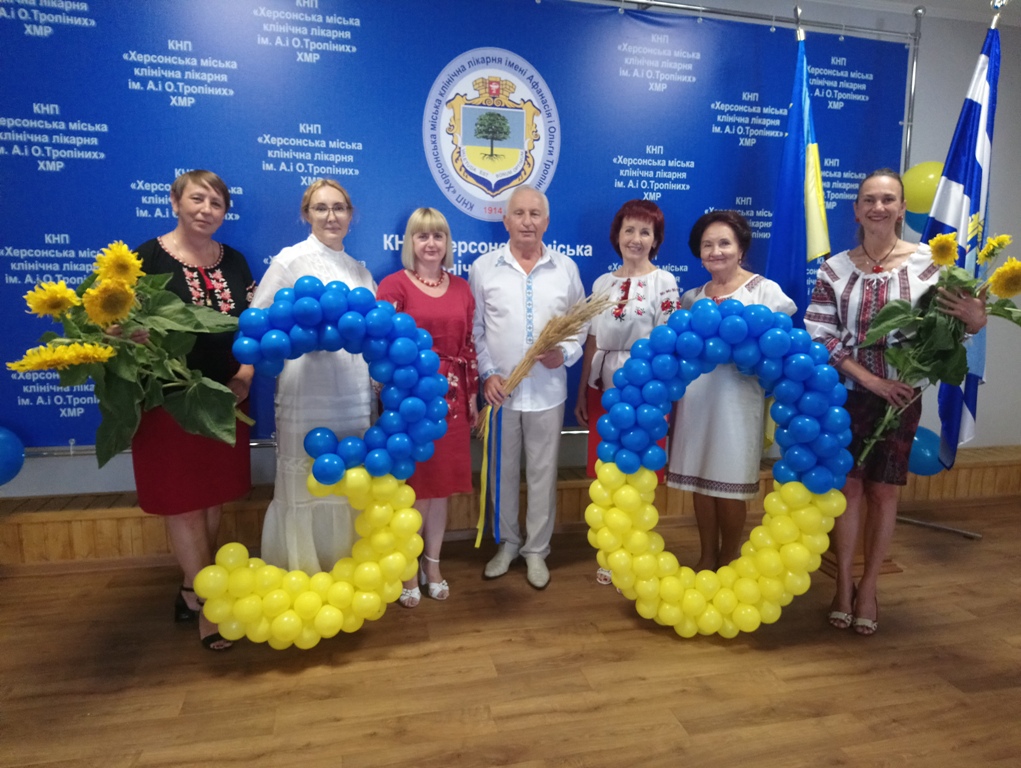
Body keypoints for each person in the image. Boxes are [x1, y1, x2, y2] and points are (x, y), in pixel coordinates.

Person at [805, 168, 986, 636]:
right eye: (869, 199)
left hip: (902, 396)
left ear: (902, 208)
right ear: (856, 210)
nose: (878, 207)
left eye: (888, 199)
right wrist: (870, 380)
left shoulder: (931, 265)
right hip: (845, 394)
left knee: (884, 492)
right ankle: (842, 585)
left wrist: (976, 320)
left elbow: (955, 329)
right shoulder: (833, 268)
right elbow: (820, 334)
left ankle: (869, 586)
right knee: (848, 490)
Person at [131, 169, 255, 651]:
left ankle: (192, 589)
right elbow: (115, 326)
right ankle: (210, 605)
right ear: (175, 201)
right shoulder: (145, 258)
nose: (206, 209)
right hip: (167, 401)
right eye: (197, 199)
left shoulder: (235, 261)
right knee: (183, 503)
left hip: (226, 397)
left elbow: (254, 327)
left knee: (211, 497)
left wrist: (245, 376)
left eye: (216, 203)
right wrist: (127, 335)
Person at [251, 179, 376, 575]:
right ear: (306, 214)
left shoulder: (360, 271)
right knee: (306, 484)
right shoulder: (290, 261)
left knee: (347, 482)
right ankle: (302, 570)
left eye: (339, 208)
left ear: (351, 215)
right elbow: (259, 321)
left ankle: (344, 571)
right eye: (321, 208)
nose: (331, 216)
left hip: (353, 395)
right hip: (307, 392)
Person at [667, 210, 796, 573]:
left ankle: (729, 557)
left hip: (738, 399)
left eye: (724, 243)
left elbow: (780, 346)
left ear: (741, 249)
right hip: (696, 397)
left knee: (730, 482)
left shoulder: (764, 291)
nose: (716, 251)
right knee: (701, 483)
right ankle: (707, 554)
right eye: (707, 245)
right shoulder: (691, 297)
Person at [470, 185, 585, 589]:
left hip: (549, 392)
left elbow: (581, 323)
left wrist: (565, 353)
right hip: (501, 394)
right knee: (501, 473)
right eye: (519, 213)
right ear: (505, 220)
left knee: (542, 473)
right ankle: (507, 544)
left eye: (535, 214)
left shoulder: (565, 269)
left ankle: (537, 550)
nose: (527, 222)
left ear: (546, 222)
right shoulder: (484, 268)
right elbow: (475, 329)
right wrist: (488, 374)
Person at [377, 208, 478, 608]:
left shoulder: (462, 288)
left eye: (438, 235)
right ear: (410, 242)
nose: (431, 243)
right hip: (410, 402)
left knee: (441, 491)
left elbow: (468, 346)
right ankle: (406, 568)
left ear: (447, 243)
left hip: (452, 399)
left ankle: (432, 565)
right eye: (422, 236)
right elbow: (383, 346)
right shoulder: (394, 286)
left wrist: (471, 395)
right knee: (412, 488)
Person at [575, 199, 679, 585]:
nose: (636, 239)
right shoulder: (602, 284)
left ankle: (634, 545)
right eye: (629, 230)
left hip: (643, 391)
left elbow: (668, 344)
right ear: (617, 235)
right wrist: (581, 391)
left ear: (656, 240)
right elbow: (591, 340)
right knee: (606, 471)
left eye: (645, 232)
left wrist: (657, 395)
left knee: (637, 470)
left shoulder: (663, 282)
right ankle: (610, 549)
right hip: (602, 388)